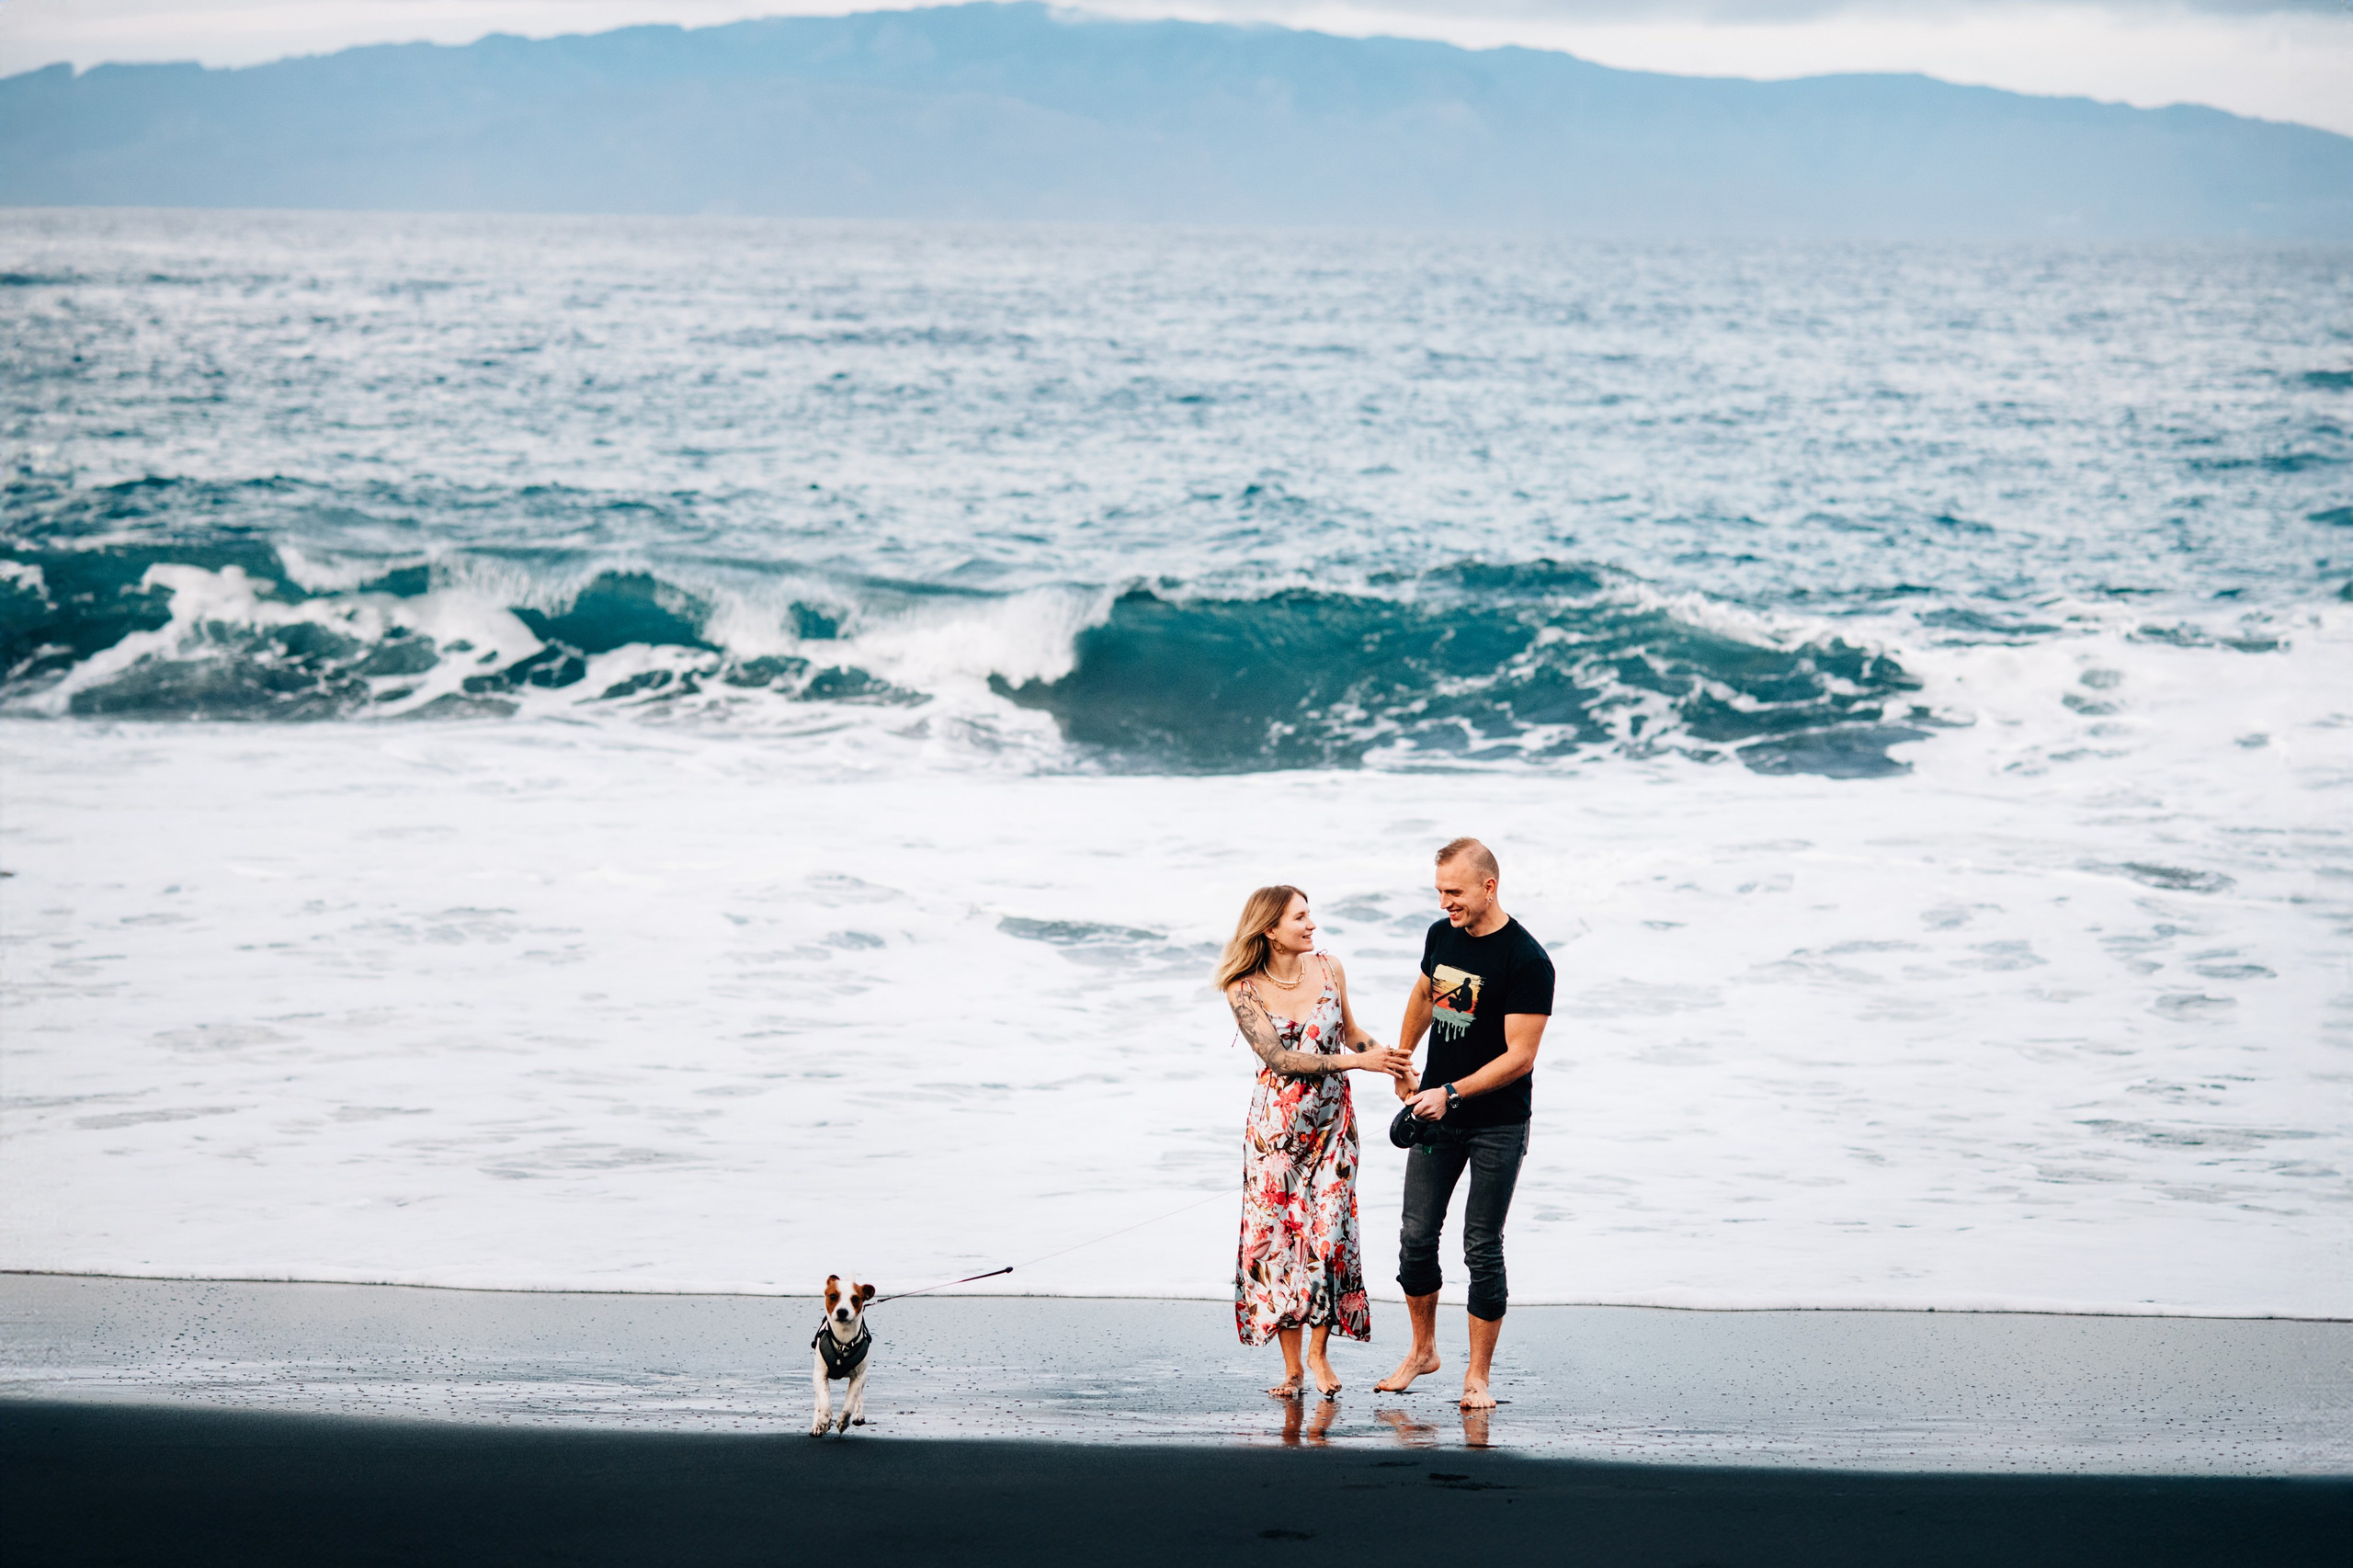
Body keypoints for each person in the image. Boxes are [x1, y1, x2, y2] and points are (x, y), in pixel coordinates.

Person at [1376, 837, 1554, 1410]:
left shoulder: (1526, 961)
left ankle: (1477, 1376)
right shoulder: (1442, 936)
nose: (1445, 902)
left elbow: (1519, 1057)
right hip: (1437, 1114)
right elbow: (1427, 995)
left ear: (1488, 886)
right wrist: (1405, 1061)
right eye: (1439, 892)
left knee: (1481, 1245)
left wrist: (1450, 1093)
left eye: (1454, 892)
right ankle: (1423, 1351)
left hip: (1496, 1123)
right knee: (1415, 1237)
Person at [1220, 884, 1414, 1397]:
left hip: (1334, 1127)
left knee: (1328, 1234)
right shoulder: (1242, 988)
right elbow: (1279, 1060)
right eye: (1300, 918)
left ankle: (1319, 1354)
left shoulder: (1329, 967)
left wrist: (1390, 1062)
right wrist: (1358, 1062)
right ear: (1270, 929)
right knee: (1280, 1241)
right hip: (1275, 1136)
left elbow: (1351, 1033)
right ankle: (1291, 1369)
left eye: (1311, 915)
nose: (1311, 925)